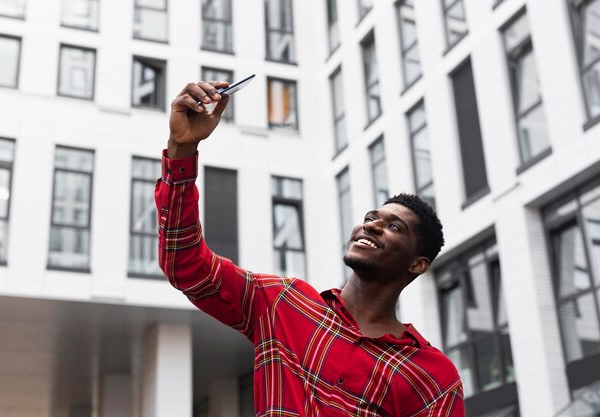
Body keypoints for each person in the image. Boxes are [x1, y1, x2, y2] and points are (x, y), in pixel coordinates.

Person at [156, 81, 465, 416]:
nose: (371, 225)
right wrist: (181, 149)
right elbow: (186, 265)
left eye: (393, 227)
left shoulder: (434, 379)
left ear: (418, 264)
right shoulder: (282, 303)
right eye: (370, 217)